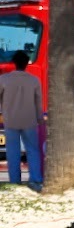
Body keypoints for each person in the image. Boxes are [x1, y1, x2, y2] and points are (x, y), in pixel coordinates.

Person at [0, 50, 44, 188]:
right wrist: (40, 119)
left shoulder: (3, 79)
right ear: (26, 64)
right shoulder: (34, 80)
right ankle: (35, 179)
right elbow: (38, 103)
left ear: (14, 63)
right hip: (29, 121)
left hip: (11, 120)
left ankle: (15, 180)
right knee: (32, 150)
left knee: (13, 151)